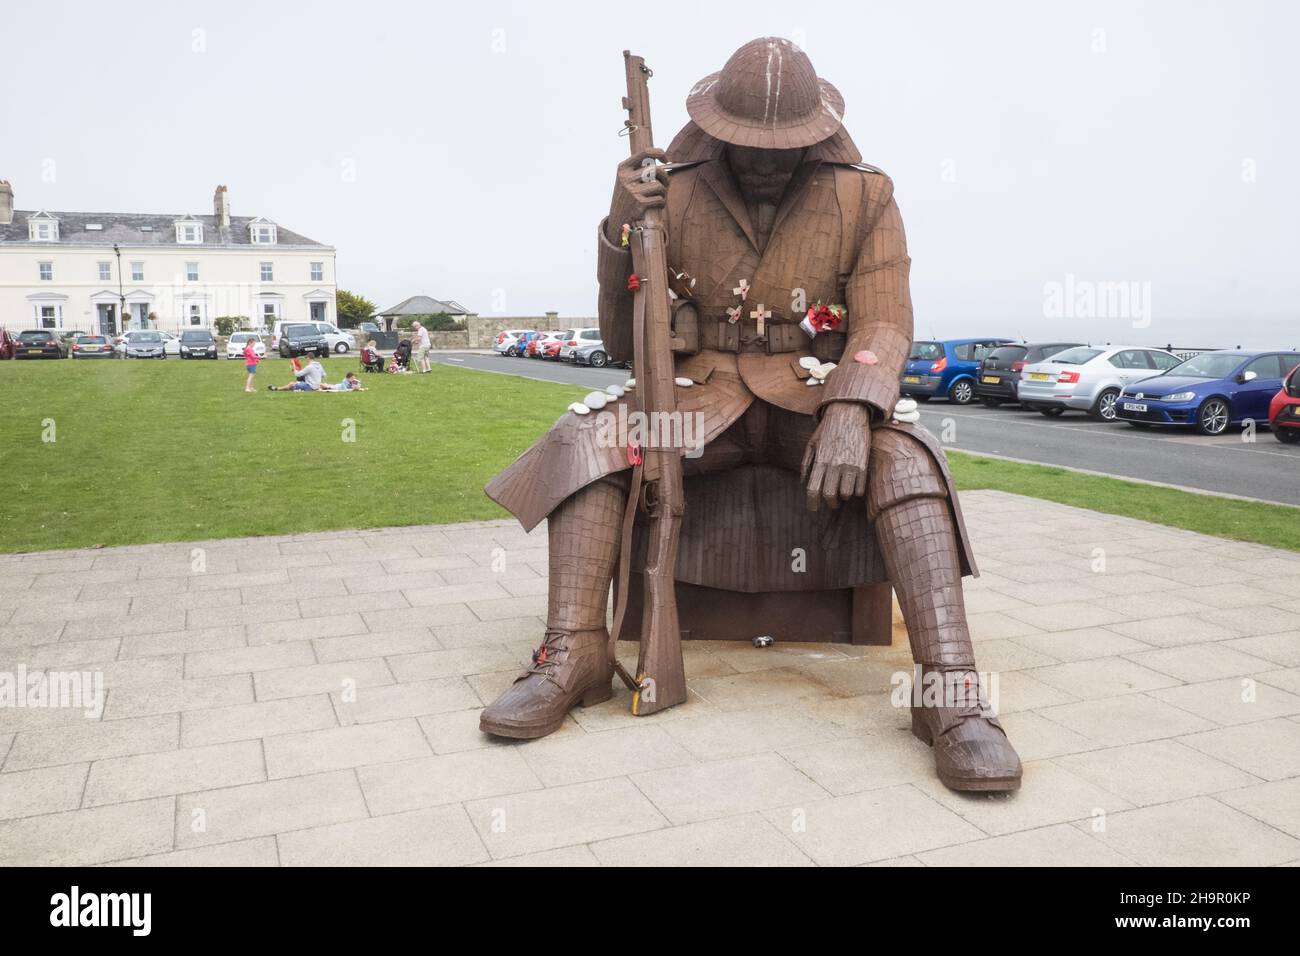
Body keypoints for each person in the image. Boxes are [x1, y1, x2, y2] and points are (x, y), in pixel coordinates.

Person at [477, 38, 1022, 793]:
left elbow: (886, 320)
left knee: (908, 459)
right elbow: (618, 340)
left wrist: (853, 407)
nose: (766, 160)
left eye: (784, 147)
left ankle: (949, 694)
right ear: (717, 126)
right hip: (700, 405)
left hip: (811, 400)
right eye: (748, 145)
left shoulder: (867, 195)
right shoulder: (669, 187)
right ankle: (575, 653)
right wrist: (617, 229)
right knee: (592, 438)